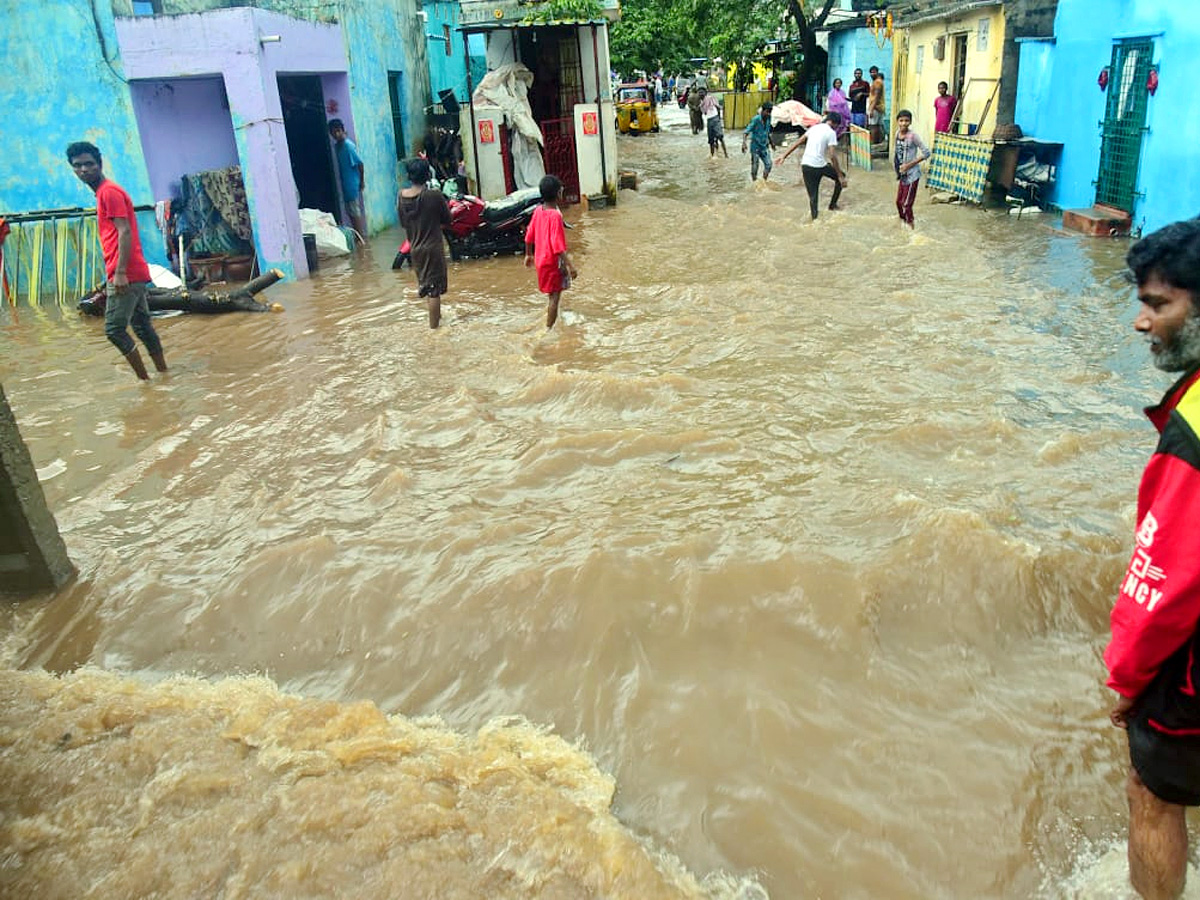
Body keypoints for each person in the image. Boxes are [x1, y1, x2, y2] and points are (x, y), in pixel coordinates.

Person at [1106, 219, 1200, 900]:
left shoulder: (1192, 430)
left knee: (1152, 789)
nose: (1142, 324)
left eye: (1159, 305)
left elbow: (1164, 582)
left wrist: (1128, 680)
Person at [67, 141, 166, 381]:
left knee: (114, 330)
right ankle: (163, 374)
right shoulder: (105, 192)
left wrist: (119, 272)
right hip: (132, 271)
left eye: (89, 164)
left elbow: (125, 231)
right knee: (142, 326)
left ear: (99, 164)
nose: (83, 170)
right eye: (77, 166)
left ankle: (146, 383)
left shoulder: (108, 192)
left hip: (126, 273)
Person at [397, 158, 451, 329]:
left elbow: (403, 223)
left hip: (415, 249)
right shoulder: (433, 195)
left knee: (428, 287)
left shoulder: (401, 197)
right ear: (427, 175)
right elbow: (447, 219)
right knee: (434, 291)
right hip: (433, 248)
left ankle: (438, 320)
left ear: (409, 176)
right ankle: (434, 329)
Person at [524, 175, 577, 329]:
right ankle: (549, 328)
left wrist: (528, 254)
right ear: (558, 193)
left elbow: (529, 235)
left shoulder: (538, 211)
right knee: (555, 297)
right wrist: (571, 266)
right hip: (552, 262)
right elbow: (558, 246)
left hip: (541, 261)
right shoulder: (555, 216)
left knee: (551, 294)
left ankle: (552, 319)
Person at [776, 111, 847, 221]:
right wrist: (840, 176)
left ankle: (815, 219)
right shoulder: (831, 133)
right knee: (841, 176)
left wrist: (784, 155)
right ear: (834, 123)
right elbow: (832, 156)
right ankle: (832, 206)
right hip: (820, 166)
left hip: (806, 165)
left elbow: (799, 141)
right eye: (837, 126)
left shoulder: (814, 128)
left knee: (813, 197)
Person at [328, 118, 367, 244]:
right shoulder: (338, 147)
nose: (336, 134)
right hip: (345, 184)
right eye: (333, 132)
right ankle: (357, 238)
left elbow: (360, 164)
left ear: (342, 130)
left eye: (338, 131)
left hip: (352, 184)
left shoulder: (348, 146)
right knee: (350, 212)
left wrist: (361, 181)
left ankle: (360, 239)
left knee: (354, 211)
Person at [893, 110, 931, 228]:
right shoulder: (897, 134)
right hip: (903, 174)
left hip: (913, 174)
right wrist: (897, 170)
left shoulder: (913, 136)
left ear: (910, 122)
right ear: (897, 121)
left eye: (906, 121)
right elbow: (896, 153)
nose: (904, 123)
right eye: (901, 120)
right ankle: (902, 224)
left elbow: (926, 152)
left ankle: (911, 228)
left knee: (906, 204)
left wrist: (909, 165)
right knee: (898, 203)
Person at [742, 102, 774, 182]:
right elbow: (746, 132)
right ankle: (754, 183)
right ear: (763, 111)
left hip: (764, 146)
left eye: (770, 112)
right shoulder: (756, 119)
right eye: (767, 111)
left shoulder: (769, 118)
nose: (768, 114)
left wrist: (771, 142)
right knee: (755, 167)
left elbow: (767, 131)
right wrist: (744, 143)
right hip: (755, 147)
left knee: (769, 165)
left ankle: (764, 182)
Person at [700, 88, 727, 158]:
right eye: (699, 93)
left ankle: (726, 154)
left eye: (702, 92)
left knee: (720, 137)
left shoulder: (710, 98)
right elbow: (705, 113)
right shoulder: (702, 104)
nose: (700, 94)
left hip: (715, 118)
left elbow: (717, 106)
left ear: (705, 93)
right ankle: (712, 155)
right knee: (711, 140)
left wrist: (719, 118)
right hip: (709, 120)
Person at [868, 71, 886, 144]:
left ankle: (874, 142)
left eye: (874, 73)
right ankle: (879, 142)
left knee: (873, 126)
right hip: (880, 107)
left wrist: (871, 109)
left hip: (875, 107)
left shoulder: (877, 83)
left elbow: (876, 97)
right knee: (879, 126)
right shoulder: (881, 83)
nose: (872, 74)